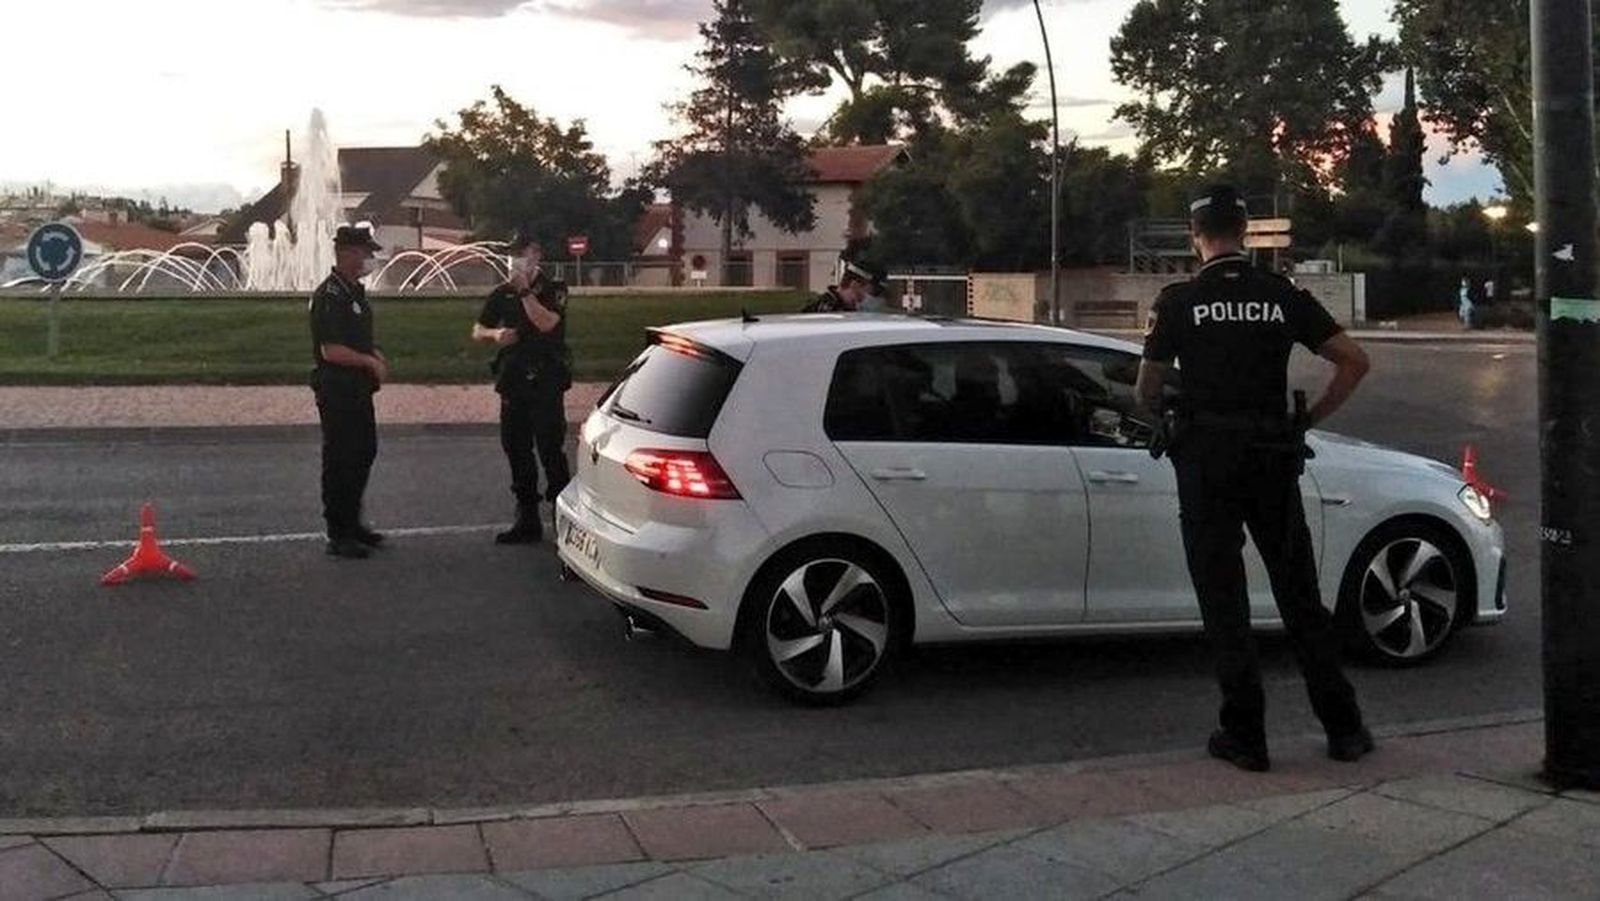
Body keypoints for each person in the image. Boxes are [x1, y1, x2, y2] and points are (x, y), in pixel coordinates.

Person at [1136, 185, 1375, 773]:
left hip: (1207, 463)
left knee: (1224, 602)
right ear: (1244, 233)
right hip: (1271, 457)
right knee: (1299, 596)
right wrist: (1308, 421)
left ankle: (1246, 736)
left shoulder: (1180, 301)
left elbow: (1145, 390)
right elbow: (1354, 360)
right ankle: (1344, 728)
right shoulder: (1281, 296)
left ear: (1197, 237)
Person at [472, 232, 573, 544]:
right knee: (516, 448)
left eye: (522, 253)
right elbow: (478, 328)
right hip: (514, 379)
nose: (516, 260)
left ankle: (564, 520)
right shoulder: (502, 293)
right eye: (512, 254)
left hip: (545, 379)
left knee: (550, 448)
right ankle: (526, 517)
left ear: (537, 255)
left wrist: (526, 292)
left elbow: (547, 323)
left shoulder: (553, 288)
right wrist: (494, 335)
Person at [309, 225, 387, 560]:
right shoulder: (331, 296)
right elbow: (331, 350)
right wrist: (368, 361)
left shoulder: (355, 292)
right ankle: (338, 532)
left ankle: (354, 522)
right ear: (347, 254)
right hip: (338, 388)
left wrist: (374, 355)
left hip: (357, 390)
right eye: (363, 252)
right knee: (340, 459)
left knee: (363, 452)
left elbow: (358, 338)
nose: (368, 259)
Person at [802, 259, 875, 312]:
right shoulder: (828, 309)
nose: (865, 297)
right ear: (854, 285)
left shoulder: (844, 308)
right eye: (865, 291)